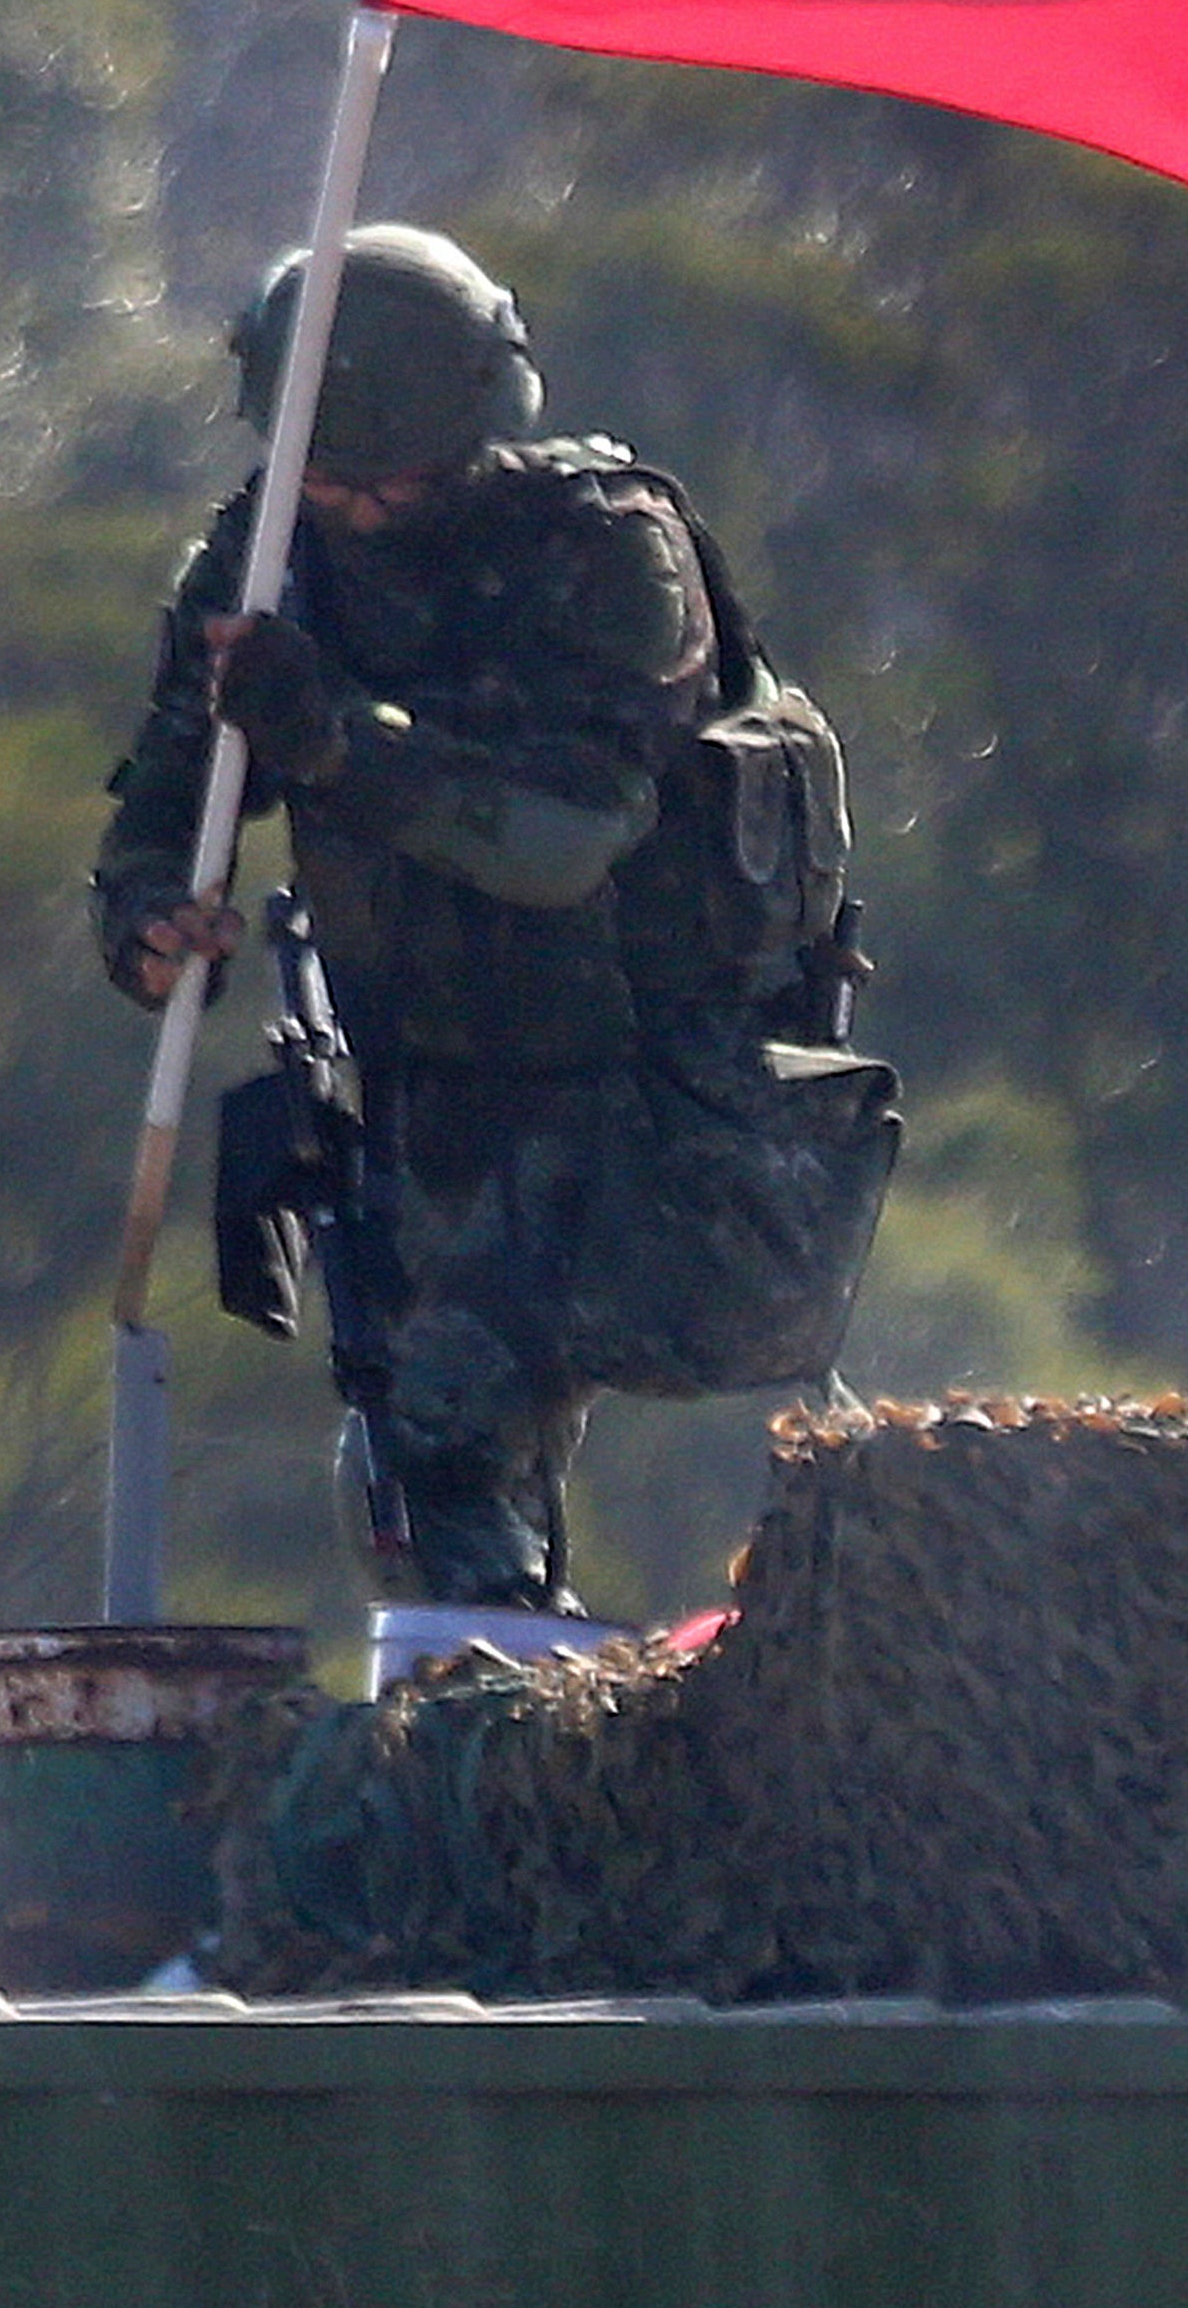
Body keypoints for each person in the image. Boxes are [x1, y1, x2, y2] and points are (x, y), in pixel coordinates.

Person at [91, 222, 829, 1614]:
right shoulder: (265, 561)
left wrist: (335, 744)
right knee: (414, 1463)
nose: (355, 512)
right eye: (325, 478)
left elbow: (568, 839)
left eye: (391, 483)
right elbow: (163, 797)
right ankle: (492, 1709)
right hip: (421, 1076)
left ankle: (586, 1711)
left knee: (463, 1414)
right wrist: (148, 919)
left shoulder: (607, 553)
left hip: (643, 1085)